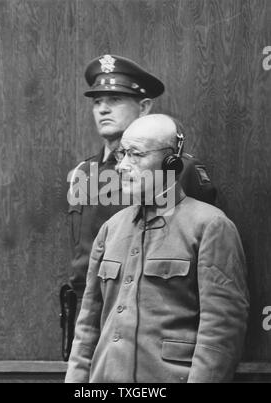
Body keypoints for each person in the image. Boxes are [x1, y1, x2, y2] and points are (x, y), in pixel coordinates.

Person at [65, 114, 249, 383]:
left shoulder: (210, 226)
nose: (122, 166)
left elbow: (220, 332)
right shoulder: (111, 229)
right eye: (121, 155)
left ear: (170, 162)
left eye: (135, 155)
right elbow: (87, 328)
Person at [62, 55, 217, 360]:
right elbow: (81, 260)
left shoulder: (179, 169)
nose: (103, 108)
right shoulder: (84, 173)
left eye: (115, 99)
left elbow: (201, 261)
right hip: (92, 329)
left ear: (144, 107)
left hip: (153, 338)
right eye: (97, 102)